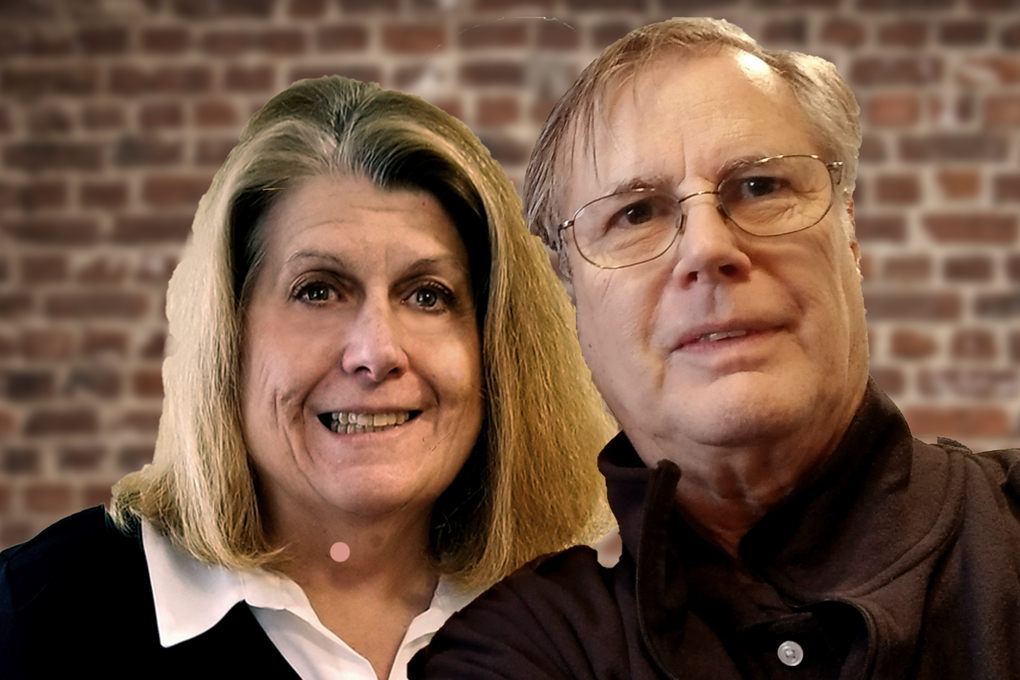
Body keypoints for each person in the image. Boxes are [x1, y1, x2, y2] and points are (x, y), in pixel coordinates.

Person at [410, 17, 1020, 680]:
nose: (707, 248)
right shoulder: (510, 655)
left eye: (760, 187)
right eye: (636, 213)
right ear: (574, 294)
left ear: (848, 229)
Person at [0, 76, 617, 680]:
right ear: (230, 337)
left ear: (495, 346)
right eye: (318, 290)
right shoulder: (29, 620)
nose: (377, 352)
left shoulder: (590, 627)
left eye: (428, 295)